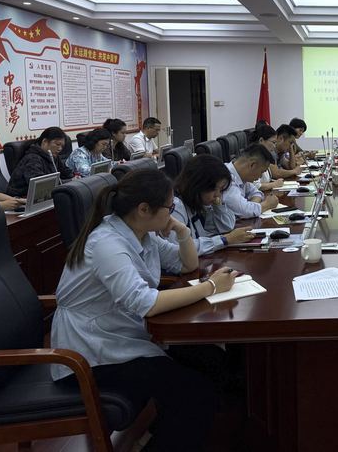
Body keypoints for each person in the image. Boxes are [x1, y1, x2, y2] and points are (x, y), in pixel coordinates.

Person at [50, 169, 231, 451]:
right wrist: (211, 287)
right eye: (169, 208)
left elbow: (187, 265)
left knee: (212, 360)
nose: (172, 213)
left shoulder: (140, 233)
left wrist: (182, 232)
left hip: (122, 335)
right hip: (91, 353)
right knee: (195, 393)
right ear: (144, 209)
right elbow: (145, 303)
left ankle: (161, 434)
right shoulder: (107, 243)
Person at [165, 154, 254, 254]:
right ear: (199, 185)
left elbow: (226, 227)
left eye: (221, 190)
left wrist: (218, 206)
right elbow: (179, 249)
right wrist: (225, 240)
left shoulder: (197, 202)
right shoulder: (175, 206)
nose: (218, 195)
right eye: (215, 189)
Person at [6, 126, 73, 196]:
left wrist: (74, 177)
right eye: (57, 144)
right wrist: (66, 183)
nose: (60, 149)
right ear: (45, 142)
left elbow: (66, 173)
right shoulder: (32, 158)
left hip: (43, 195)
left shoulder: (53, 156)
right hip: (19, 198)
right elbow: (40, 185)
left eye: (62, 146)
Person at [223, 144, 280, 218]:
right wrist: (267, 205)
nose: (260, 176)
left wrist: (252, 206)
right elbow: (244, 211)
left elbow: (257, 192)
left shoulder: (242, 176)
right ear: (252, 165)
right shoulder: (226, 179)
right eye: (262, 172)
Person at [250, 124, 285, 192]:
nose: (274, 146)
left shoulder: (264, 156)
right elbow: (255, 185)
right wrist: (274, 184)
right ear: (261, 140)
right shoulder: (253, 158)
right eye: (273, 142)